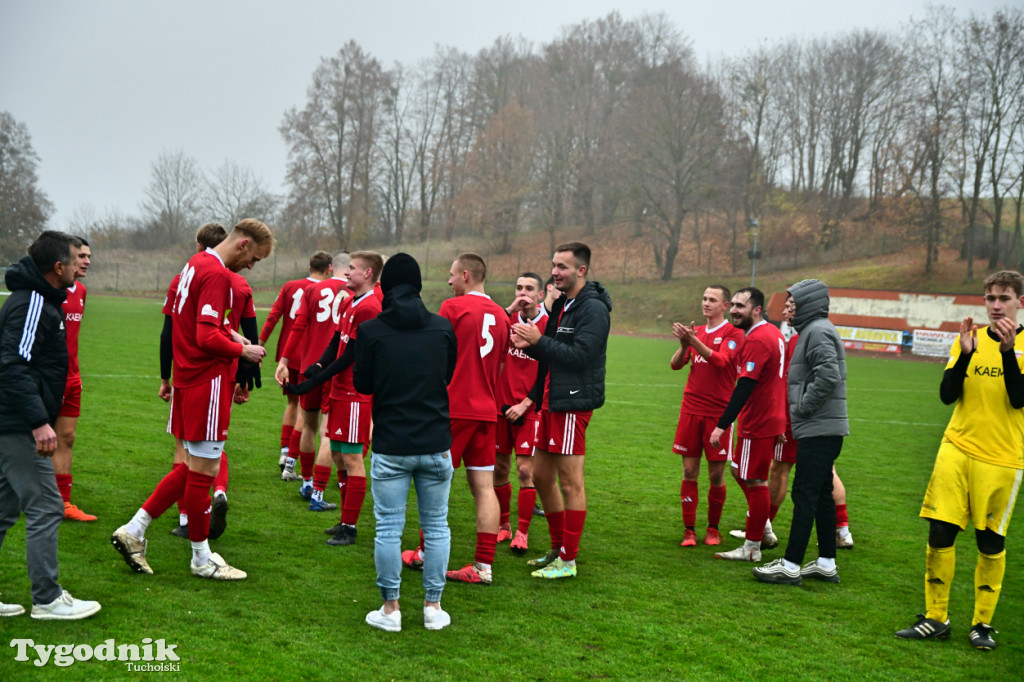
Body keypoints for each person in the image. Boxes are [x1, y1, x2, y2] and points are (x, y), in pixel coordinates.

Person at [111, 219, 272, 580]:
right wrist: (241, 351)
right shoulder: (216, 273)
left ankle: (135, 530)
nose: (251, 266)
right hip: (208, 380)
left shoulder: (194, 263)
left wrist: (234, 335)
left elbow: (192, 322)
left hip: (186, 379)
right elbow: (205, 336)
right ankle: (201, 559)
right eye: (255, 259)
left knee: (191, 467)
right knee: (205, 471)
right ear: (243, 244)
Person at [895, 270, 1024, 651]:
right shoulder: (967, 339)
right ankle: (936, 618)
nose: (996, 305)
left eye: (1004, 298)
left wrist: (1006, 353)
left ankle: (982, 624)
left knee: (990, 540)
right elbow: (947, 395)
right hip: (956, 447)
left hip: (1003, 457)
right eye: (990, 298)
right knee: (939, 531)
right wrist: (966, 355)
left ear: (1020, 302)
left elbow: (1018, 398)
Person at [0, 230, 101, 619]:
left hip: (12, 422)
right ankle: (47, 598)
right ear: (58, 267)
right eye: (77, 258)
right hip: (18, 426)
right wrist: (40, 422)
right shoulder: (33, 305)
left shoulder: (41, 301)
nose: (82, 264)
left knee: (4, 511)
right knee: (46, 507)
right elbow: (13, 366)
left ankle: (47, 595)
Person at [355, 253, 457, 632]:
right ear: (417, 286)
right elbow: (445, 375)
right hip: (434, 440)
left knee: (388, 528)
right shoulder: (442, 328)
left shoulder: (371, 332)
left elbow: (363, 384)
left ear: (385, 287)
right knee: (436, 526)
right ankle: (432, 607)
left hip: (391, 443)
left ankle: (391, 608)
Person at [512, 242, 612, 579]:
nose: (555, 272)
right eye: (554, 265)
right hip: (552, 401)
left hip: (573, 403)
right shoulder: (563, 303)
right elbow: (553, 353)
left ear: (581, 270)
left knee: (570, 484)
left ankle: (568, 561)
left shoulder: (593, 309)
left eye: (563, 267)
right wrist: (533, 344)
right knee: (540, 477)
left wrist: (539, 340)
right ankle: (557, 548)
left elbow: (581, 356)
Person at [284, 251, 384, 545]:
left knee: (352, 458)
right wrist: (316, 366)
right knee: (339, 455)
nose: (347, 273)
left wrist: (316, 379)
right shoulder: (351, 301)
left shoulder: (370, 308)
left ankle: (350, 527)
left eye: (352, 269)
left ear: (367, 274)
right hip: (340, 390)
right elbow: (335, 344)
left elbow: (350, 356)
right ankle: (344, 519)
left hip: (354, 393)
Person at [753, 279, 848, 587]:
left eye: (793, 303)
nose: (788, 308)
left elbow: (828, 376)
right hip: (822, 427)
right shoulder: (814, 329)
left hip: (819, 427)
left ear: (809, 303)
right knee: (820, 492)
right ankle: (825, 563)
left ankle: (791, 564)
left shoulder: (818, 331)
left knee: (804, 493)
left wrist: (802, 408)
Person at [431, 253, 511, 586]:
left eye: (451, 275)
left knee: (435, 480)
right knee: (484, 487)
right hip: (487, 411)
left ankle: (424, 552)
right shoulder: (501, 316)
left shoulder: (453, 308)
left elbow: (435, 354)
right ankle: (483, 566)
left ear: (466, 274)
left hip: (455, 408)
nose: (449, 282)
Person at [159, 223, 229, 537]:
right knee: (212, 448)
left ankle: (186, 520)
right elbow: (241, 327)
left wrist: (165, 376)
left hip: (191, 372)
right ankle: (219, 492)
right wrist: (245, 369)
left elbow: (169, 331)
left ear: (199, 244)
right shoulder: (232, 281)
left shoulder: (185, 276)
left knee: (186, 451)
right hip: (221, 372)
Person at [710, 287, 786, 563]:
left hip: (758, 419)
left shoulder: (758, 339)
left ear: (757, 310)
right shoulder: (775, 334)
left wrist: (722, 425)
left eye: (741, 306)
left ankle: (752, 546)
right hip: (771, 417)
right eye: (734, 305)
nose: (734, 311)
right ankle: (762, 529)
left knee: (755, 480)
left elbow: (745, 386)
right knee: (740, 470)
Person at [670, 285, 744, 547]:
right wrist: (684, 344)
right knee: (689, 470)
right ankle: (689, 530)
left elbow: (722, 362)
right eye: (703, 298)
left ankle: (713, 528)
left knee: (716, 475)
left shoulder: (733, 333)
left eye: (712, 299)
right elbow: (676, 364)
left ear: (725, 306)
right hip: (691, 410)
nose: (706, 303)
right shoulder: (696, 333)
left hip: (718, 414)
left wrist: (693, 341)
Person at [276, 252, 349, 501]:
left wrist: (284, 361)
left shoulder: (312, 290)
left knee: (308, 425)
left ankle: (306, 482)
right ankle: (318, 492)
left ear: (331, 268)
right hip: (336, 369)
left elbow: (298, 326)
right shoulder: (355, 294)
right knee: (328, 432)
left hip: (310, 367)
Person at [261, 251, 333, 471]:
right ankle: (292, 460)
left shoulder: (290, 286)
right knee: (311, 414)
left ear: (309, 266)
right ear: (329, 268)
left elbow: (274, 315)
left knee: (294, 404)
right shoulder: (335, 290)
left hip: (289, 355)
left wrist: (260, 342)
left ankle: (286, 451)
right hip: (314, 356)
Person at [495, 272, 548, 555]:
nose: (523, 293)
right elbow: (489, 335)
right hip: (500, 408)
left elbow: (550, 372)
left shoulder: (548, 326)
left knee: (525, 470)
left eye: (529, 289)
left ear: (541, 295)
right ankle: (503, 525)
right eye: (518, 288)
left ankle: (522, 532)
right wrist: (511, 309)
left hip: (529, 409)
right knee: (499, 469)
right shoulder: (506, 321)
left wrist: (526, 404)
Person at [53, 236, 96, 521]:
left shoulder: (81, 290)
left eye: (88, 256)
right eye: (81, 256)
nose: (87, 261)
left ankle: (63, 504)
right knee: (33, 439)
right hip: (49, 378)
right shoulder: (48, 292)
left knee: (66, 437)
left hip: (73, 377)